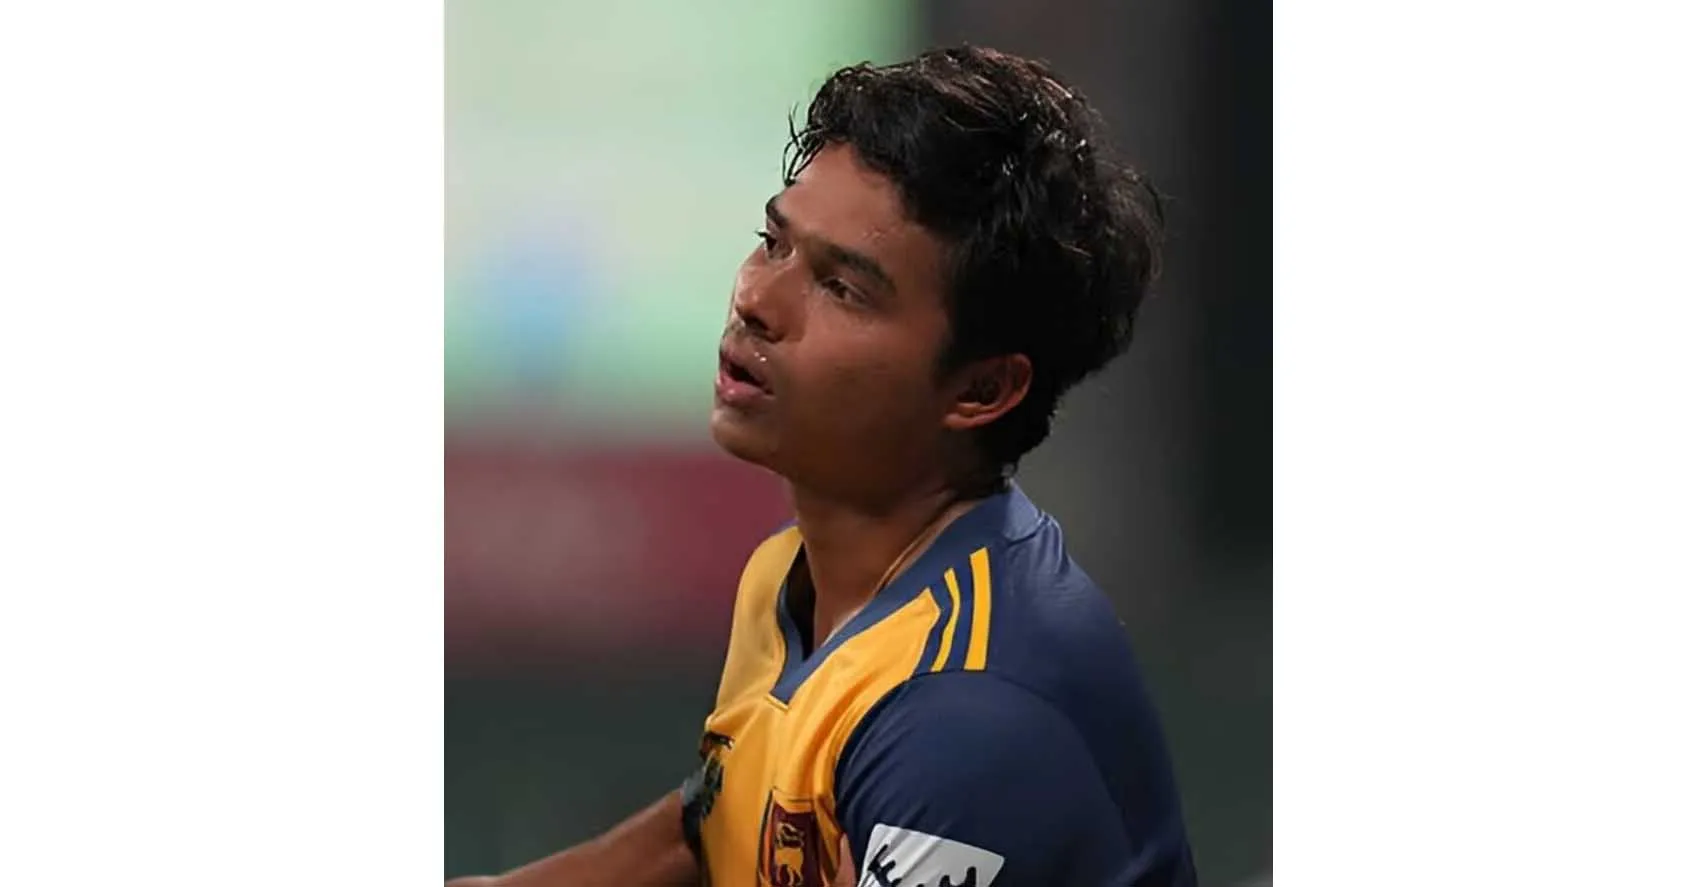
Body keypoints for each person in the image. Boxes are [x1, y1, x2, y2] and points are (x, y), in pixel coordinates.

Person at [449, 45, 1196, 887]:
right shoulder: (793, 577)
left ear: (981, 389)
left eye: (842, 287)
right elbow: (716, 821)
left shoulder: (966, 711)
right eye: (772, 242)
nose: (755, 299)